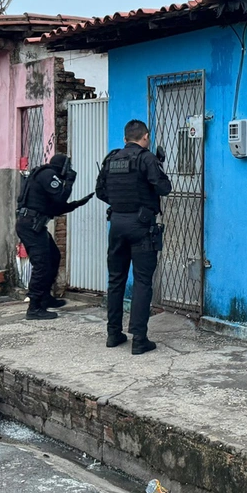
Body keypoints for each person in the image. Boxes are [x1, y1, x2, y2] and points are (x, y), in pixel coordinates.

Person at [96, 119, 171, 354]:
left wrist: (121, 205)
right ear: (145, 136)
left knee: (116, 280)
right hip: (141, 226)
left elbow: (100, 192)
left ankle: (113, 334)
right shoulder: (147, 158)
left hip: (117, 224)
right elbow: (164, 188)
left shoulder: (112, 158)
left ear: (125, 138)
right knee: (141, 282)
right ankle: (139, 339)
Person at [16, 153, 94, 320]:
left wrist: (77, 204)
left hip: (34, 225)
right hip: (31, 226)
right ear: (63, 167)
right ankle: (34, 307)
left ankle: (45, 297)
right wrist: (70, 182)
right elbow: (59, 198)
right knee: (42, 264)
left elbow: (53, 208)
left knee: (53, 257)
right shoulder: (48, 175)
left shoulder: (44, 175)